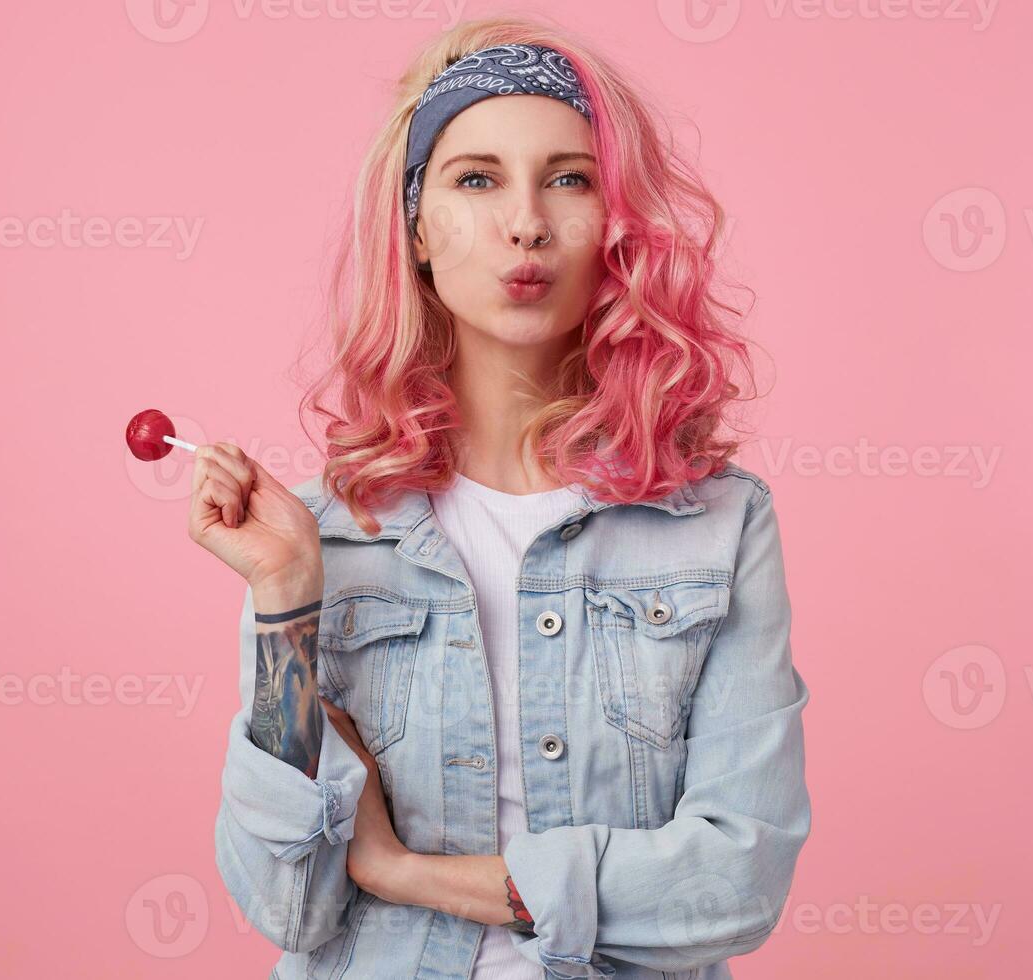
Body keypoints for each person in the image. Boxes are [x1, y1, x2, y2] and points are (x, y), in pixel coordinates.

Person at [192, 16, 811, 980]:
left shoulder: (720, 524)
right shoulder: (319, 535)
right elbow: (287, 905)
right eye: (476, 179)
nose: (524, 221)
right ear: (419, 233)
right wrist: (286, 604)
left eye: (568, 178)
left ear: (616, 226)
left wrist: (404, 871)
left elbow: (736, 882)